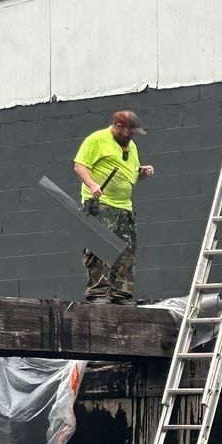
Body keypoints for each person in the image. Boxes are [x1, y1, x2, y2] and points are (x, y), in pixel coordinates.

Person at [72, 109, 154, 304]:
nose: (131, 136)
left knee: (126, 251)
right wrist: (92, 185)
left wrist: (142, 173)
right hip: (101, 204)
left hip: (124, 207)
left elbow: (131, 176)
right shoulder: (97, 140)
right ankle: (98, 293)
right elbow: (79, 165)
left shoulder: (131, 147)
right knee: (100, 248)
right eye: (129, 132)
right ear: (118, 126)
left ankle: (121, 294)